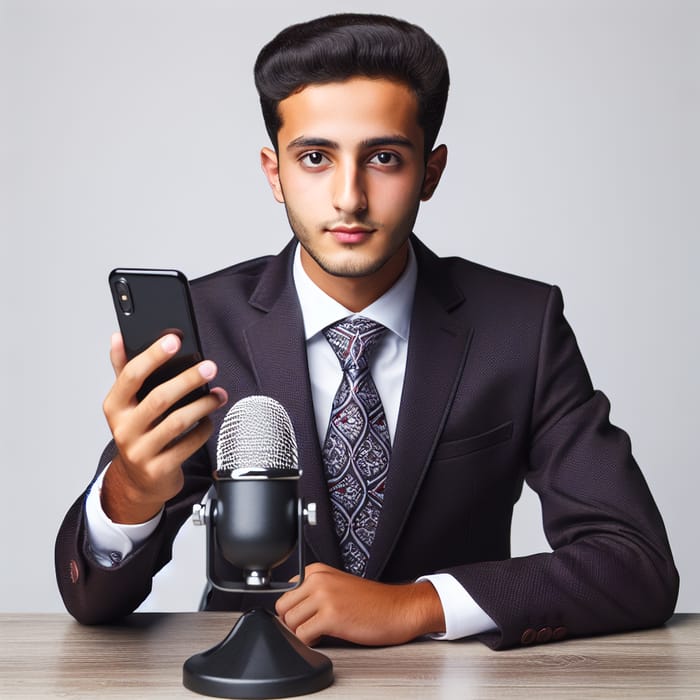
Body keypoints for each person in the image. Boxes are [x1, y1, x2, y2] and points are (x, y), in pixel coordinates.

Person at [55, 13, 678, 650]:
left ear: (430, 173)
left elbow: (635, 562)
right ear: (275, 173)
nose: (349, 197)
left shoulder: (520, 326)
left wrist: (416, 605)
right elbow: (92, 598)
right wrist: (131, 491)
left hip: (448, 686)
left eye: (383, 157)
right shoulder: (206, 325)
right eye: (316, 158)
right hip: (251, 682)